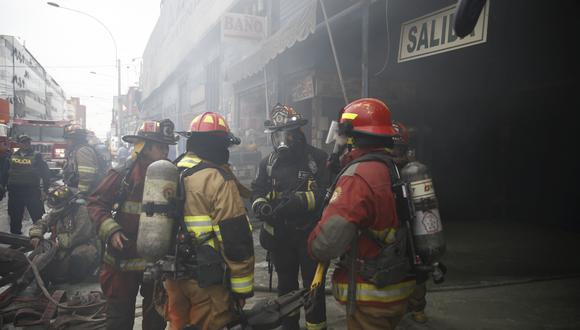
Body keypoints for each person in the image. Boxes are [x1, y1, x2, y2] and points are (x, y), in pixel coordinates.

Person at [308, 98, 416, 330]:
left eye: (343, 135)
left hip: (371, 291)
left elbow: (326, 244)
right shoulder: (395, 166)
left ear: (352, 137)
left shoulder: (358, 177)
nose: (339, 142)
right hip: (398, 285)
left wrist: (311, 243)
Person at [164, 112, 254, 329]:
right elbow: (235, 239)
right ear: (219, 145)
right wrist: (241, 288)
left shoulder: (172, 170)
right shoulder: (218, 178)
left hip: (171, 277)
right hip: (206, 281)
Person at [87, 119, 177, 330]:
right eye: (159, 146)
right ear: (144, 147)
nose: (165, 151)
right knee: (118, 318)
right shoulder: (123, 174)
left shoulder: (173, 176)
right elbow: (96, 204)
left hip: (158, 260)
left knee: (156, 318)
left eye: (167, 146)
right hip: (122, 259)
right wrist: (111, 231)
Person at [251, 103, 329, 330]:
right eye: (277, 134)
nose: (282, 140)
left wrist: (300, 202)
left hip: (310, 236)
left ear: (298, 132)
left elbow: (328, 193)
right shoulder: (268, 163)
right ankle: (289, 325)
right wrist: (261, 205)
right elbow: (257, 190)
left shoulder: (317, 158)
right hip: (281, 238)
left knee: (313, 286)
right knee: (286, 287)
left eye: (287, 134)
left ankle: (316, 326)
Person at [29, 185, 99, 284]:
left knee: (79, 256)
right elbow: (43, 222)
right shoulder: (58, 212)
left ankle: (77, 278)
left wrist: (58, 242)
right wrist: (35, 235)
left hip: (83, 244)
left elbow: (81, 235)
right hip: (61, 245)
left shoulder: (82, 211)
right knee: (42, 259)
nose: (54, 210)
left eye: (57, 207)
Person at [0, 134, 50, 234]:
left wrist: (45, 189)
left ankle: (39, 240)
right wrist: (1, 187)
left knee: (38, 218)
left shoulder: (37, 156)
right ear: (18, 143)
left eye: (27, 142)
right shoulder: (11, 156)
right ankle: (15, 241)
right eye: (23, 142)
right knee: (15, 217)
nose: (26, 144)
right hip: (15, 193)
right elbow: (4, 173)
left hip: (32, 192)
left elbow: (45, 173)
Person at [62, 125, 101, 195]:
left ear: (75, 139)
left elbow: (86, 173)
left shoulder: (82, 150)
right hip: (75, 187)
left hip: (83, 192)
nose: (67, 142)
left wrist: (81, 192)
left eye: (69, 139)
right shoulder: (76, 150)